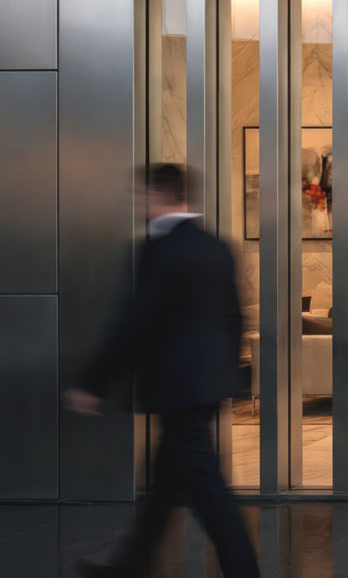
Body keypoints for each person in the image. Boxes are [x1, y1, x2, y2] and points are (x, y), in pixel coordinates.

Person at [64, 164, 260, 578]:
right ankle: (130, 566)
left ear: (158, 195)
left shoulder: (158, 250)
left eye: (141, 195)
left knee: (208, 491)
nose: (138, 203)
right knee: (167, 484)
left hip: (177, 387)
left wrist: (93, 382)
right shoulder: (217, 246)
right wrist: (225, 375)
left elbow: (134, 322)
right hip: (205, 385)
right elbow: (235, 318)